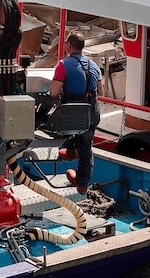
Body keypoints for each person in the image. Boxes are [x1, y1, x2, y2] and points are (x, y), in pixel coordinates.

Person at [49, 30, 103, 194]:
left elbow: (53, 93)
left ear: (69, 45)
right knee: (86, 142)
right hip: (92, 115)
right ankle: (73, 152)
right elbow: (101, 90)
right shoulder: (93, 65)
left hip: (72, 117)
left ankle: (81, 183)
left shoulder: (63, 65)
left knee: (51, 122)